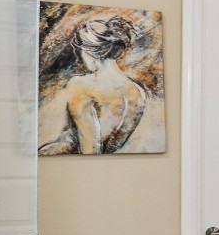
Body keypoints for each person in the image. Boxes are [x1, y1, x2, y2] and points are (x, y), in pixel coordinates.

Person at [38, 16, 147, 155]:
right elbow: (111, 148)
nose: (79, 57)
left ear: (90, 52)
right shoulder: (137, 92)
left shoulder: (81, 86)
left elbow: (90, 150)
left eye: (81, 51)